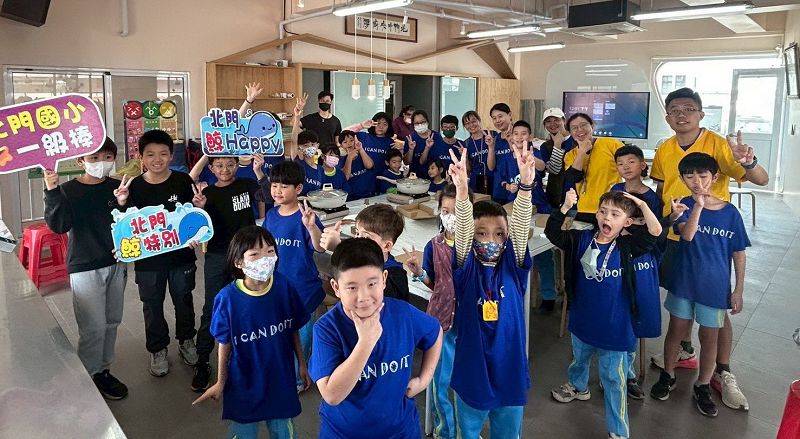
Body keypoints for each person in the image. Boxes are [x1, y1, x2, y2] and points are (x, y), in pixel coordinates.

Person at [649, 87, 768, 411]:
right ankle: (684, 354)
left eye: (688, 109)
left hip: (712, 240)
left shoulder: (718, 144)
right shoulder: (665, 149)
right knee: (681, 306)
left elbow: (760, 179)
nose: (681, 114)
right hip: (677, 237)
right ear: (667, 117)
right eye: (675, 110)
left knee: (716, 311)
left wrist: (749, 162)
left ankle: (721, 372)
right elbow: (661, 189)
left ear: (701, 114)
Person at [547, 189, 662, 439]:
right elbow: (553, 233)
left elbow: (655, 231)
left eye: (615, 214)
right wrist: (565, 207)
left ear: (627, 222)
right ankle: (578, 386)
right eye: (603, 211)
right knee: (579, 359)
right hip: (583, 318)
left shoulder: (628, 247)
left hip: (615, 326)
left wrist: (642, 205)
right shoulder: (581, 239)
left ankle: (618, 430)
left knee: (613, 379)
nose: (606, 217)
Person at [309, 238, 443, 439]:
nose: (364, 297)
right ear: (336, 287)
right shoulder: (327, 329)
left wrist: (424, 379)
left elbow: (435, 332)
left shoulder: (403, 314)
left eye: (372, 283)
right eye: (352, 287)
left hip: (401, 430)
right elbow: (332, 395)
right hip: (344, 433)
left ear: (384, 279)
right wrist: (366, 342)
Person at [650, 152, 750, 418]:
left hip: (714, 287)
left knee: (710, 337)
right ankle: (668, 375)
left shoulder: (730, 213)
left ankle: (703, 384)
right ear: (682, 179)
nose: (697, 181)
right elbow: (687, 235)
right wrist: (698, 206)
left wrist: (738, 290)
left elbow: (739, 252)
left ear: (714, 177)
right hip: (683, 282)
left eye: (703, 175)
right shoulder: (682, 205)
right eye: (690, 176)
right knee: (676, 330)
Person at [448, 145, 535, 437]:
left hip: (509, 371)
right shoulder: (466, 267)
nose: (491, 240)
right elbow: (463, 231)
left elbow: (520, 227)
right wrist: (462, 193)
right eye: (482, 233)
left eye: (499, 234)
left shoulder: (514, 266)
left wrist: (525, 187)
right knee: (468, 432)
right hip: (472, 372)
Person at [192, 226, 310, 439]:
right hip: (244, 382)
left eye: (270, 251)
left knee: (283, 431)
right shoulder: (227, 299)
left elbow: (293, 328)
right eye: (255, 254)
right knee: (243, 431)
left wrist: (302, 364)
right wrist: (221, 381)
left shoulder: (284, 287)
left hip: (280, 378)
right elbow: (224, 343)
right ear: (239, 262)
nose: (265, 259)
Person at [43, 137, 129, 400]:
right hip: (85, 265)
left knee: (112, 321)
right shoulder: (68, 190)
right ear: (80, 161)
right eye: (94, 158)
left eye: (107, 158)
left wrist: (123, 203)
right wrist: (51, 190)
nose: (102, 163)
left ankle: (103, 370)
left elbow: (132, 224)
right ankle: (88, 378)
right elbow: (59, 226)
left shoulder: (117, 187)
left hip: (117, 263)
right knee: (93, 327)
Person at [113, 129, 199, 378]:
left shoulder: (183, 181)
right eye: (150, 154)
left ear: (171, 155)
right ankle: (157, 349)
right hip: (148, 261)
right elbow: (125, 225)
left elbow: (193, 215)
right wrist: (122, 202)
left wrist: (196, 231)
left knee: (183, 300)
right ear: (141, 157)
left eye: (163, 153)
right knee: (152, 305)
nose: (157, 159)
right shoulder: (135, 186)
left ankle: (186, 340)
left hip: (181, 257)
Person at [189, 155, 266, 392]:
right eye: (219, 165)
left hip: (246, 254)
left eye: (230, 164)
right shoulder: (207, 194)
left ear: (237, 165)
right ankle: (203, 360)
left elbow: (267, 196)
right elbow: (200, 226)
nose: (225, 169)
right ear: (211, 168)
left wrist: (259, 171)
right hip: (217, 255)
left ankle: (245, 357)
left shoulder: (246, 183)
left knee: (248, 304)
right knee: (212, 306)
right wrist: (200, 209)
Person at [405, 184, 472, 439]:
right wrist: (419, 272)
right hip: (441, 321)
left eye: (457, 211)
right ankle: (445, 431)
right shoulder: (434, 245)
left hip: (469, 321)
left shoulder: (476, 246)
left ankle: (467, 430)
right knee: (441, 380)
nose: (450, 216)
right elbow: (434, 283)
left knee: (467, 380)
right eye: (445, 210)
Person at [262, 160, 326, 385]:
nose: (277, 191)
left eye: (284, 186)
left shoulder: (306, 217)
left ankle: (300, 379)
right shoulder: (271, 215)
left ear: (298, 188)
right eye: (274, 185)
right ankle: (284, 369)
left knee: (302, 335)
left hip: (303, 289)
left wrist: (311, 227)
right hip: (277, 287)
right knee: (281, 332)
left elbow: (320, 247)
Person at [507, 120, 558, 312]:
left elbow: (543, 167)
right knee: (515, 255)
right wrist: (507, 186)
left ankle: (549, 296)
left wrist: (528, 157)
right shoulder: (507, 158)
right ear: (511, 136)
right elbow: (502, 180)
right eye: (516, 133)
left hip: (540, 209)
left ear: (530, 136)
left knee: (543, 253)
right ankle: (516, 296)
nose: (520, 137)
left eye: (524, 133)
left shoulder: (535, 152)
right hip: (516, 211)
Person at [320, 204, 410, 302]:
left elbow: (369, 303)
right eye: (357, 233)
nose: (358, 240)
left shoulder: (394, 276)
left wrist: (340, 249)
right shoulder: (364, 260)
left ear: (387, 246)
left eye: (366, 237)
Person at [563, 113, 624, 225]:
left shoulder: (611, 144)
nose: (579, 130)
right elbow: (574, 177)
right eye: (574, 128)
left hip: (611, 208)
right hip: (584, 209)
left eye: (583, 125)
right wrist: (582, 151)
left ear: (592, 125)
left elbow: (629, 166)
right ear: (570, 133)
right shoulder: (570, 155)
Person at [539, 107, 577, 209]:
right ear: (544, 125)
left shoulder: (577, 141)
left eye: (556, 120)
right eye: (548, 121)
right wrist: (557, 145)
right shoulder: (545, 147)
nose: (552, 124)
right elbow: (553, 170)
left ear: (564, 120)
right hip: (554, 196)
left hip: (575, 195)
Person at [611, 145, 661, 217]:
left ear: (642, 165)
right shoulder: (616, 189)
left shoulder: (652, 197)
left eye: (631, 162)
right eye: (620, 164)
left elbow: (655, 221)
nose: (626, 167)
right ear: (617, 168)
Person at [462, 111, 496, 195]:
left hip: (494, 177)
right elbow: (468, 169)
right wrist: (464, 156)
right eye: (467, 123)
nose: (471, 125)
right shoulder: (466, 143)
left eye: (473, 121)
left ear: (479, 121)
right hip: (475, 181)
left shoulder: (492, 135)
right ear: (465, 126)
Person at [487, 103, 516, 203]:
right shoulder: (495, 139)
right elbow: (491, 167)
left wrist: (510, 142)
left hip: (516, 190)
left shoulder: (519, 137)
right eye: (494, 118)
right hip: (499, 190)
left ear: (510, 115)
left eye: (500, 116)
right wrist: (491, 147)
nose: (497, 120)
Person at [404, 110, 445, 176]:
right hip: (415, 176)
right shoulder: (410, 138)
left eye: (423, 122)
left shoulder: (437, 137)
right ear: (413, 125)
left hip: (434, 177)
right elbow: (406, 162)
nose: (420, 125)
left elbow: (441, 159)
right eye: (417, 123)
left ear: (427, 122)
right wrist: (411, 149)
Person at [339, 129, 375, 200]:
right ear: (341, 145)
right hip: (352, 197)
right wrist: (349, 157)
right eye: (345, 142)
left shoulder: (363, 154)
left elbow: (369, 166)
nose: (349, 143)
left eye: (351, 140)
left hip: (369, 194)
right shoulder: (341, 160)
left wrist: (360, 149)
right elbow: (345, 177)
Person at [293, 130, 324, 196]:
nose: (310, 147)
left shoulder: (321, 169)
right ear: (299, 147)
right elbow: (293, 141)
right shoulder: (298, 163)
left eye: (313, 144)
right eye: (306, 145)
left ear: (317, 145)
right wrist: (296, 122)